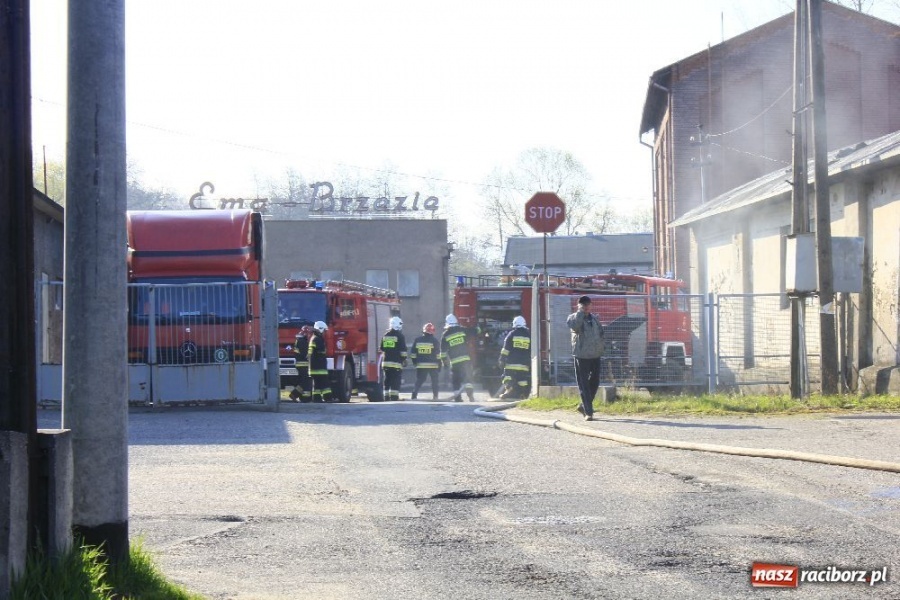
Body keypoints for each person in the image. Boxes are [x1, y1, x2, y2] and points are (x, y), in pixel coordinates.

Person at [566, 295, 605, 421]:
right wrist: (580, 313)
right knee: (584, 385)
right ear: (579, 306)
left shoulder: (594, 319)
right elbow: (575, 326)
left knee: (595, 382)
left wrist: (601, 347)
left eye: (588, 304)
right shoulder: (573, 318)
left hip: (595, 355)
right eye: (583, 305)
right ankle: (589, 412)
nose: (586, 307)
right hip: (582, 355)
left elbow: (600, 333)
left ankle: (584, 406)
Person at [440, 314, 475, 402]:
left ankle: (457, 397)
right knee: (468, 378)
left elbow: (443, 351)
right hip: (465, 360)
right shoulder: (462, 330)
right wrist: (480, 328)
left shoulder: (445, 334)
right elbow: (474, 331)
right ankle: (470, 395)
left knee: (456, 380)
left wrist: (444, 362)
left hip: (455, 362)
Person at [498, 315, 531, 400]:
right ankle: (523, 394)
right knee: (522, 379)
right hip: (524, 364)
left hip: (511, 363)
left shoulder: (512, 334)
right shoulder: (529, 335)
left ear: (515, 324)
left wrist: (502, 359)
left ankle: (509, 388)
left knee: (506, 376)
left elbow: (506, 349)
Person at [409, 322, 441, 400]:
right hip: (433, 365)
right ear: (432, 331)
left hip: (421, 365)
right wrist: (439, 364)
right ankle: (435, 396)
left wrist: (415, 362)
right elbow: (438, 355)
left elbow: (413, 353)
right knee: (434, 381)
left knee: (420, 380)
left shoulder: (417, 340)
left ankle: (414, 394)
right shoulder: (435, 341)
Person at [380, 316, 407, 402]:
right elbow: (403, 350)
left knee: (387, 380)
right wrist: (404, 359)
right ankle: (394, 398)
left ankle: (386, 397)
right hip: (396, 363)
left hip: (385, 363)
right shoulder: (400, 336)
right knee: (395, 380)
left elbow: (382, 348)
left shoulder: (385, 335)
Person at [308, 321, 333, 402]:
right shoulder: (318, 339)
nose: (324, 333)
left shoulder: (313, 338)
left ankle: (317, 398)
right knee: (325, 384)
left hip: (313, 367)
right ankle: (328, 398)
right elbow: (321, 352)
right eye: (324, 331)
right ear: (320, 329)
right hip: (319, 367)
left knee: (317, 385)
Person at [288, 325, 312, 402]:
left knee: (304, 381)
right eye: (308, 333)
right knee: (306, 381)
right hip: (303, 364)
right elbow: (305, 354)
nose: (309, 335)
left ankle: (302, 397)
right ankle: (294, 394)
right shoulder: (303, 342)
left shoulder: (298, 340)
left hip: (300, 364)